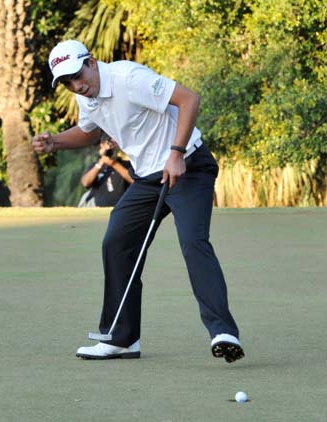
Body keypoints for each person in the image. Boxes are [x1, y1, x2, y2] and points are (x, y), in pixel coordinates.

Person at [32, 40, 243, 363]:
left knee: (193, 242)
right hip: (148, 178)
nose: (77, 85)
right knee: (116, 242)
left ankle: (223, 332)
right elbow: (90, 132)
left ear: (91, 61)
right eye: (67, 82)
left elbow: (189, 100)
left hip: (188, 167)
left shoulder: (128, 78)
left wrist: (176, 153)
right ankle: (122, 339)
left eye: (77, 75)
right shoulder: (86, 97)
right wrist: (55, 142)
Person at [77, 136, 133, 208]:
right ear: (102, 145)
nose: (112, 146)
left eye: (114, 143)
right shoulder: (96, 165)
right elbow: (85, 182)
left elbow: (133, 179)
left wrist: (114, 164)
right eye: (109, 143)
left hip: (120, 208)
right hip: (97, 208)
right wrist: (100, 164)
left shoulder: (126, 164)